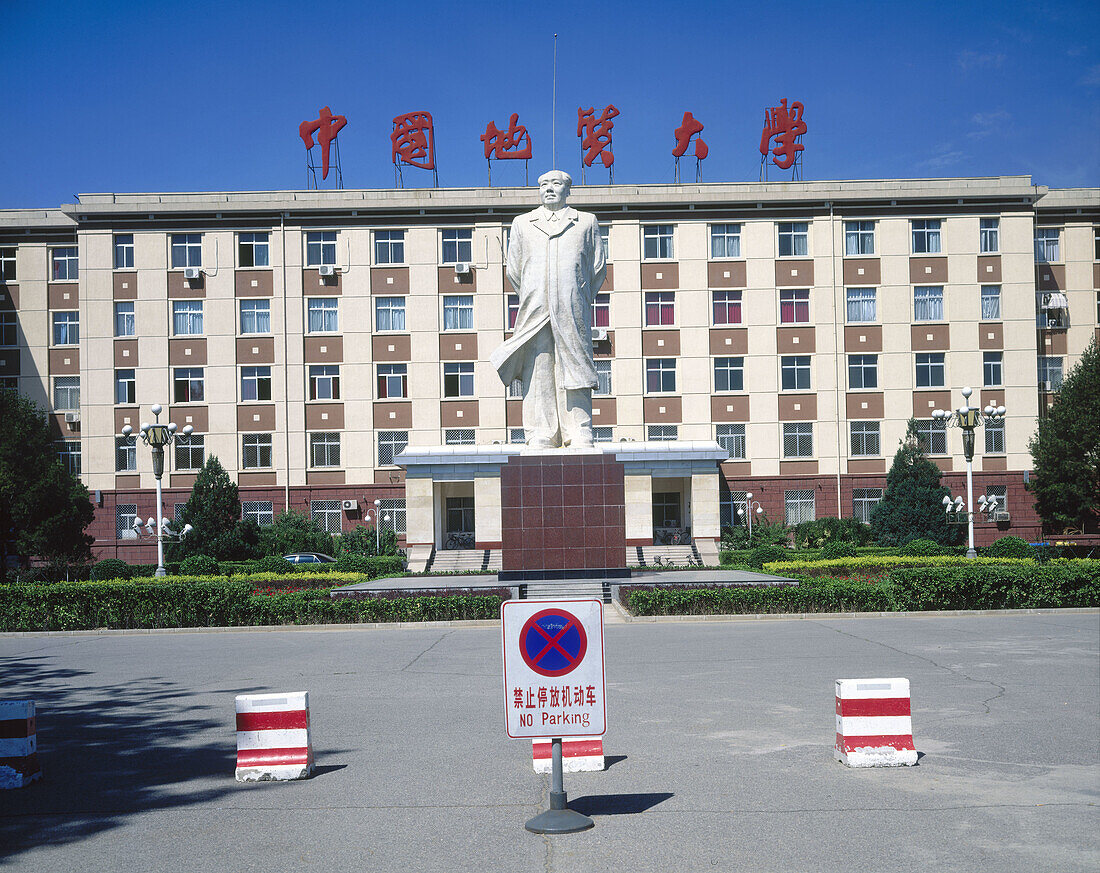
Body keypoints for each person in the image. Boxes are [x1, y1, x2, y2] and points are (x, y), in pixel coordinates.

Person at [490, 170, 606, 449]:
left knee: (575, 365)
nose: (549, 189)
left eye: (556, 184)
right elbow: (514, 270)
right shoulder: (522, 223)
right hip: (535, 307)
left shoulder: (586, 222)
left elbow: (597, 268)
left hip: (571, 307)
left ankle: (578, 430)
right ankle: (540, 431)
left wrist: (574, 292)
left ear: (568, 189)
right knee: (538, 367)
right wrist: (536, 291)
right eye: (544, 185)